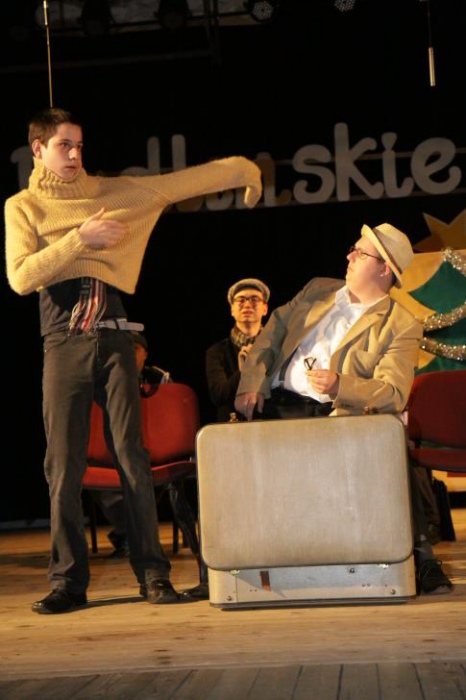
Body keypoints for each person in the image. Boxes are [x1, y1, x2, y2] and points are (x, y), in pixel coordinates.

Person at [4, 106, 262, 614]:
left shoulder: (111, 193)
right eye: (64, 145)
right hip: (63, 342)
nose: (75, 154)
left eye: (79, 145)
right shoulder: (24, 206)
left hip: (116, 339)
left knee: (132, 458)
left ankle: (154, 575)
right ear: (38, 149)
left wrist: (243, 171)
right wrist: (80, 239)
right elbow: (21, 277)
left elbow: (177, 184)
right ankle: (68, 583)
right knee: (63, 465)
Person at [234, 223, 453, 595]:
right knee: (228, 446)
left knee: (390, 446)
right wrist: (251, 382)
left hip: (338, 417)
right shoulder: (318, 289)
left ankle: (420, 556)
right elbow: (273, 332)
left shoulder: (400, 324)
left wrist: (341, 385)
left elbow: (393, 392)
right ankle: (229, 568)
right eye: (353, 248)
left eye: (360, 252)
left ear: (384, 269)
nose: (349, 256)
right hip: (281, 407)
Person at [93, 331, 172, 558]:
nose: (129, 354)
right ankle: (131, 535)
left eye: (135, 349)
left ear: (145, 353)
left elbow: (170, 419)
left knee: (139, 474)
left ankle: (128, 537)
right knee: (101, 480)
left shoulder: (159, 379)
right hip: (113, 450)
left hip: (154, 449)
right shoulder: (105, 379)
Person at [205, 277, 270, 422]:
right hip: (231, 427)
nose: (247, 304)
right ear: (232, 309)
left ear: (265, 309)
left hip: (270, 425)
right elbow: (218, 396)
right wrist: (243, 372)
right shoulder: (216, 352)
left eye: (254, 299)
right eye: (241, 300)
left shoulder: (275, 347)